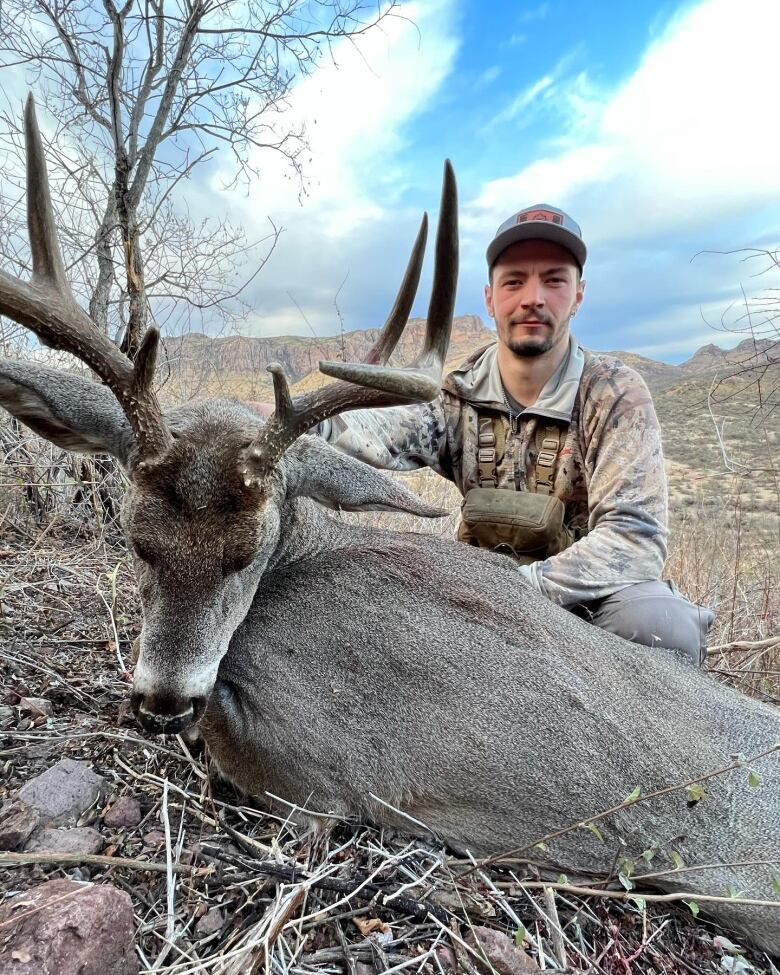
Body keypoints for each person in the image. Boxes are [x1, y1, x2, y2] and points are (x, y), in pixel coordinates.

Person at [315, 204, 714, 665]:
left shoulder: (612, 394)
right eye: (514, 281)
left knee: (660, 627)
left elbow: (635, 540)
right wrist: (299, 421)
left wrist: (517, 591)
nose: (533, 298)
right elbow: (376, 431)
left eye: (554, 279)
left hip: (580, 599)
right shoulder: (457, 394)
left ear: (579, 294)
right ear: (489, 298)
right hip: (479, 596)